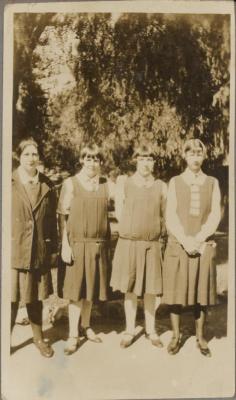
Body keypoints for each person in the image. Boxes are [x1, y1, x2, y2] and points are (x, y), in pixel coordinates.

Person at [163, 138, 221, 357]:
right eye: (191, 153)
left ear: (204, 156)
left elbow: (215, 214)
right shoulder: (175, 182)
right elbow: (170, 215)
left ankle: (200, 337)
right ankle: (176, 336)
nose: (195, 157)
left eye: (199, 153)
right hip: (180, 245)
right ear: (185, 156)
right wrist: (186, 240)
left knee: (201, 293)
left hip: (202, 244)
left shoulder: (212, 182)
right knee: (176, 292)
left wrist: (199, 238)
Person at [110, 143, 167, 348]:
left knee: (151, 290)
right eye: (142, 159)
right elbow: (119, 212)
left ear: (154, 163)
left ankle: (151, 330)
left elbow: (164, 215)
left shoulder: (161, 185)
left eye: (150, 159)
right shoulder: (124, 182)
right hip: (130, 244)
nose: (145, 163)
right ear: (136, 160)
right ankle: (129, 330)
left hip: (152, 244)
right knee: (130, 288)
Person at [57, 144, 110, 355]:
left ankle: (86, 326)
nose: (92, 162)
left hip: (98, 245)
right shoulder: (71, 183)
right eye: (88, 158)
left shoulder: (106, 184)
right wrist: (65, 245)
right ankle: (72, 334)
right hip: (77, 245)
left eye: (96, 159)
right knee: (76, 292)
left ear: (100, 162)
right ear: (82, 160)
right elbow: (62, 215)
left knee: (90, 290)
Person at [11, 138, 58, 357]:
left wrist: (53, 248)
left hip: (38, 250)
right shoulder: (8, 182)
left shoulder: (47, 185)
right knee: (11, 299)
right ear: (19, 157)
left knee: (35, 297)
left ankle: (39, 339)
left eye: (35, 154)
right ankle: (5, 341)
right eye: (27, 154)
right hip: (14, 249)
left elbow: (51, 221)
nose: (31, 158)